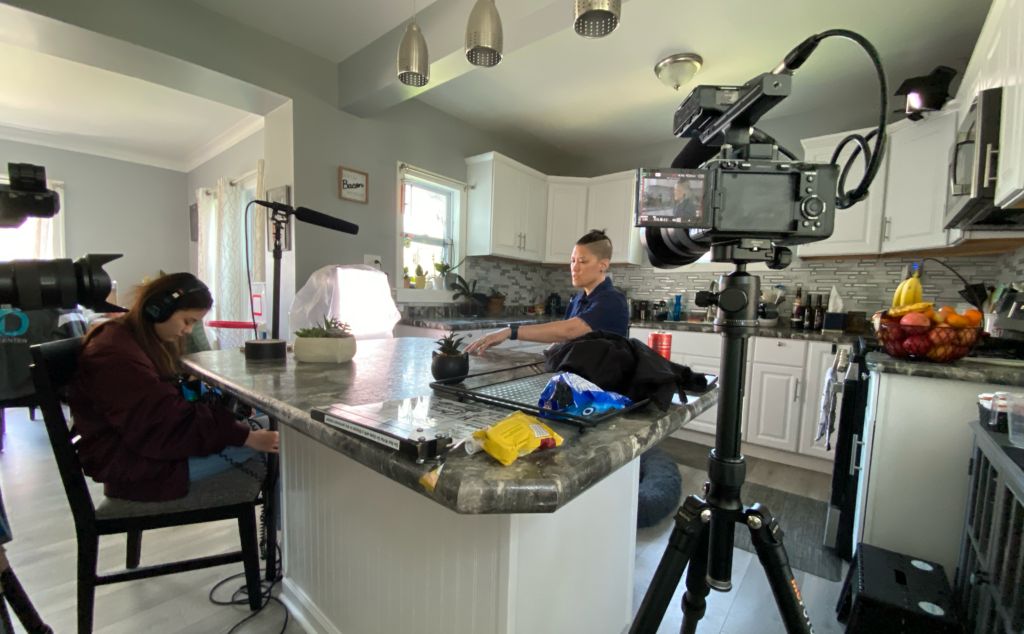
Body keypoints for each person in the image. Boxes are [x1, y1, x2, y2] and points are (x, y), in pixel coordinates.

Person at [68, 273, 278, 502]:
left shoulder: (121, 339)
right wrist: (246, 436)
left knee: (275, 428)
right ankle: (285, 536)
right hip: (140, 468)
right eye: (187, 321)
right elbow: (167, 421)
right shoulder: (115, 354)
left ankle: (284, 534)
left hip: (141, 454)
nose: (188, 331)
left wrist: (238, 432)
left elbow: (164, 415)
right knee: (283, 440)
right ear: (159, 309)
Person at [465, 230, 629, 354]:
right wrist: (545, 359)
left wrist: (511, 331)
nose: (574, 267)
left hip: (600, 392)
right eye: (572, 261)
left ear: (603, 265)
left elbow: (568, 331)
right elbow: (561, 342)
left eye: (583, 261)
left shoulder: (612, 301)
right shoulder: (577, 301)